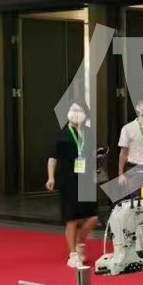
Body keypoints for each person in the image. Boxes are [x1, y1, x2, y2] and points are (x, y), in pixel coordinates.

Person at [46, 100, 98, 269]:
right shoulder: (61, 134)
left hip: (86, 179)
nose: (76, 113)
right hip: (68, 179)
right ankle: (73, 254)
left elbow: (91, 155)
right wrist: (51, 177)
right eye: (73, 110)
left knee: (92, 217)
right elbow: (52, 158)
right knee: (72, 218)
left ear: (86, 114)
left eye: (79, 110)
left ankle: (79, 243)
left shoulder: (89, 133)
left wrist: (94, 174)